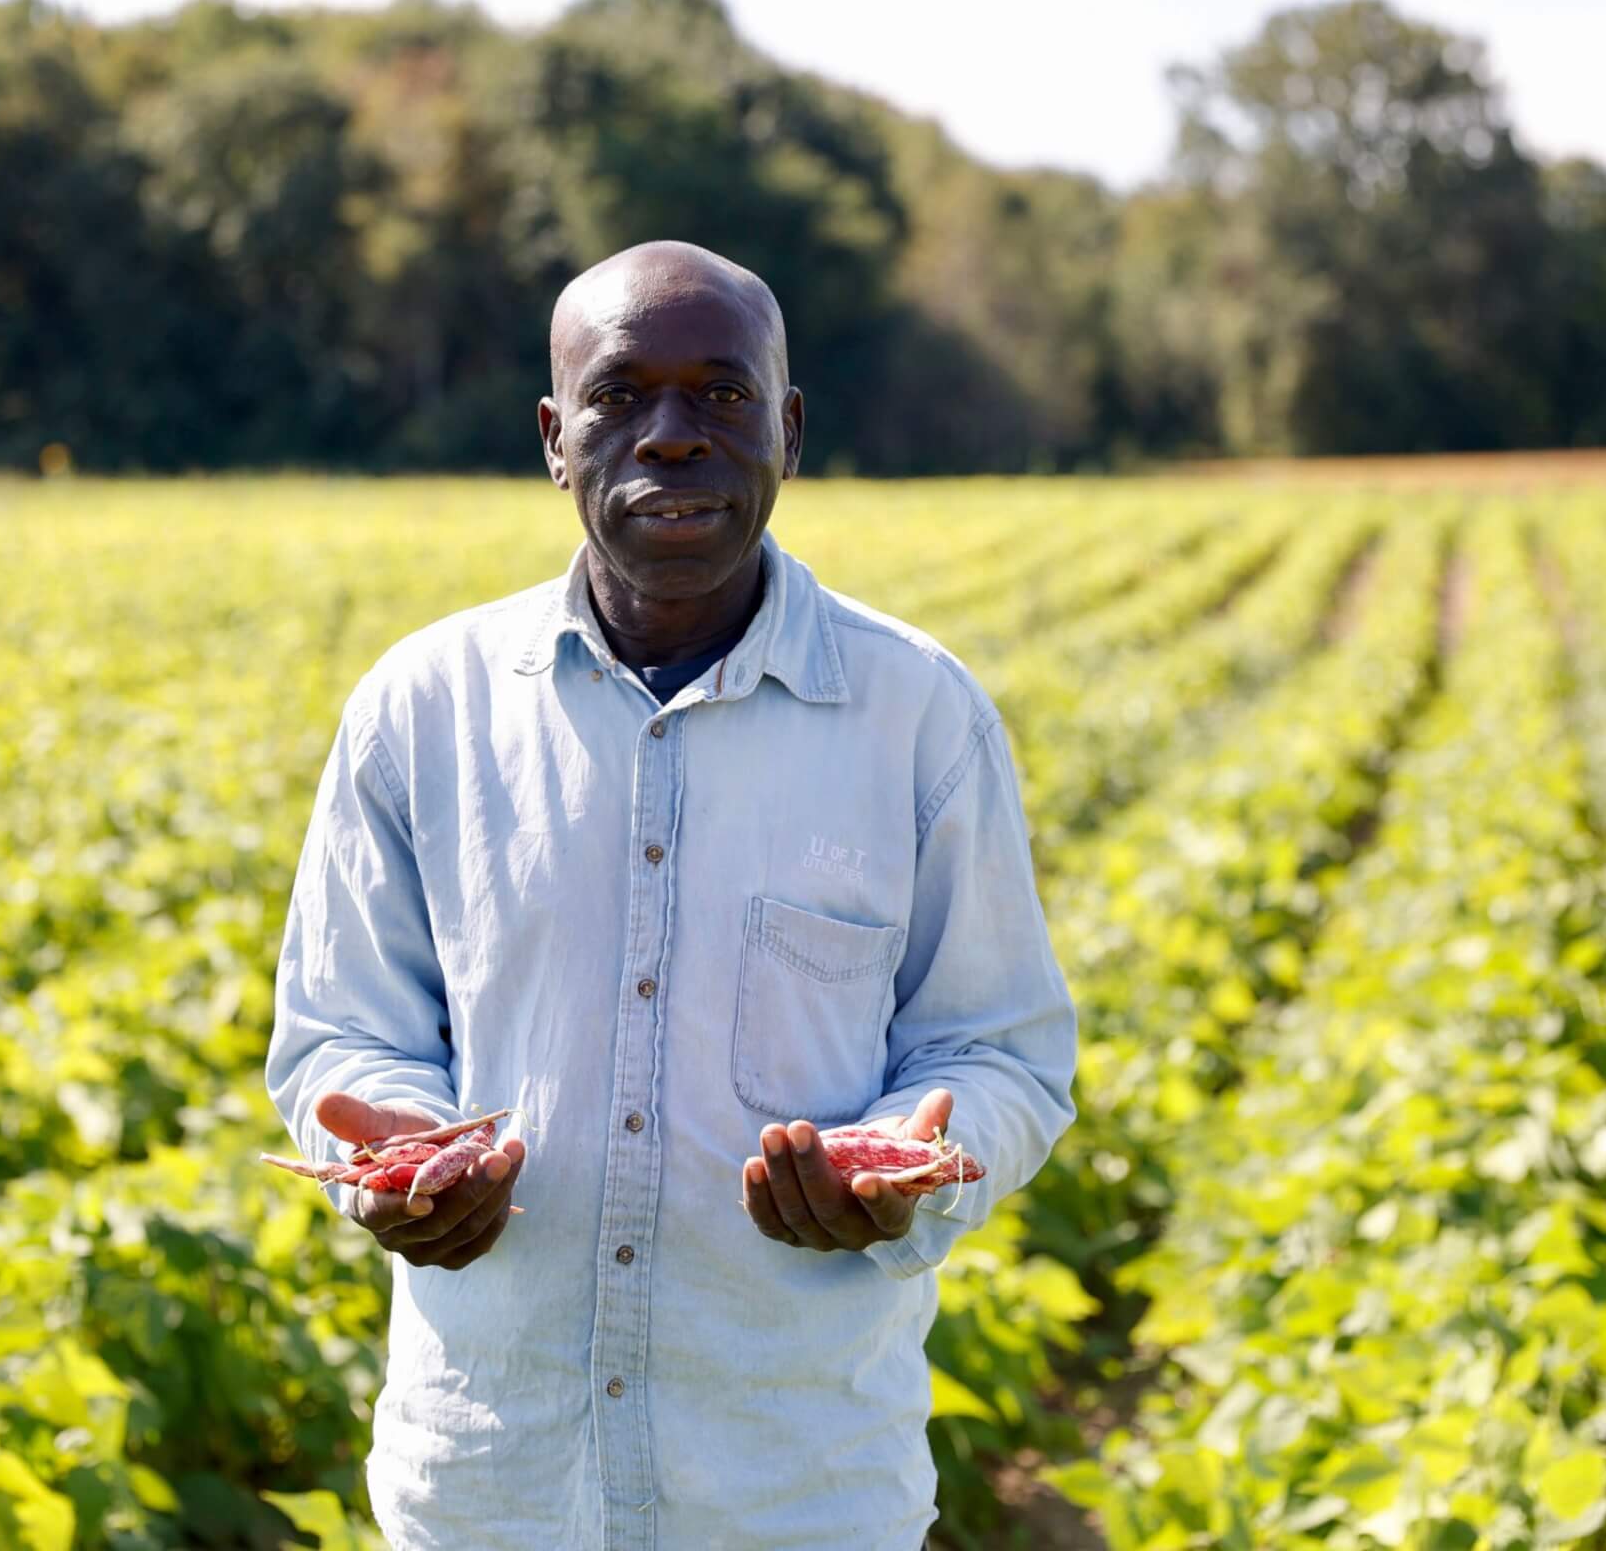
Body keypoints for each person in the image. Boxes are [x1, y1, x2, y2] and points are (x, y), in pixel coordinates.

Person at [266, 239, 1076, 1550]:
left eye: (723, 395)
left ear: (791, 431)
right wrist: (399, 1157)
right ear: (552, 437)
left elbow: (1002, 1054)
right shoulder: (422, 710)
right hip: (493, 1489)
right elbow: (341, 1032)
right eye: (620, 395)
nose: (673, 437)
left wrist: (915, 1171)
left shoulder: (917, 715)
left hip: (799, 1492)